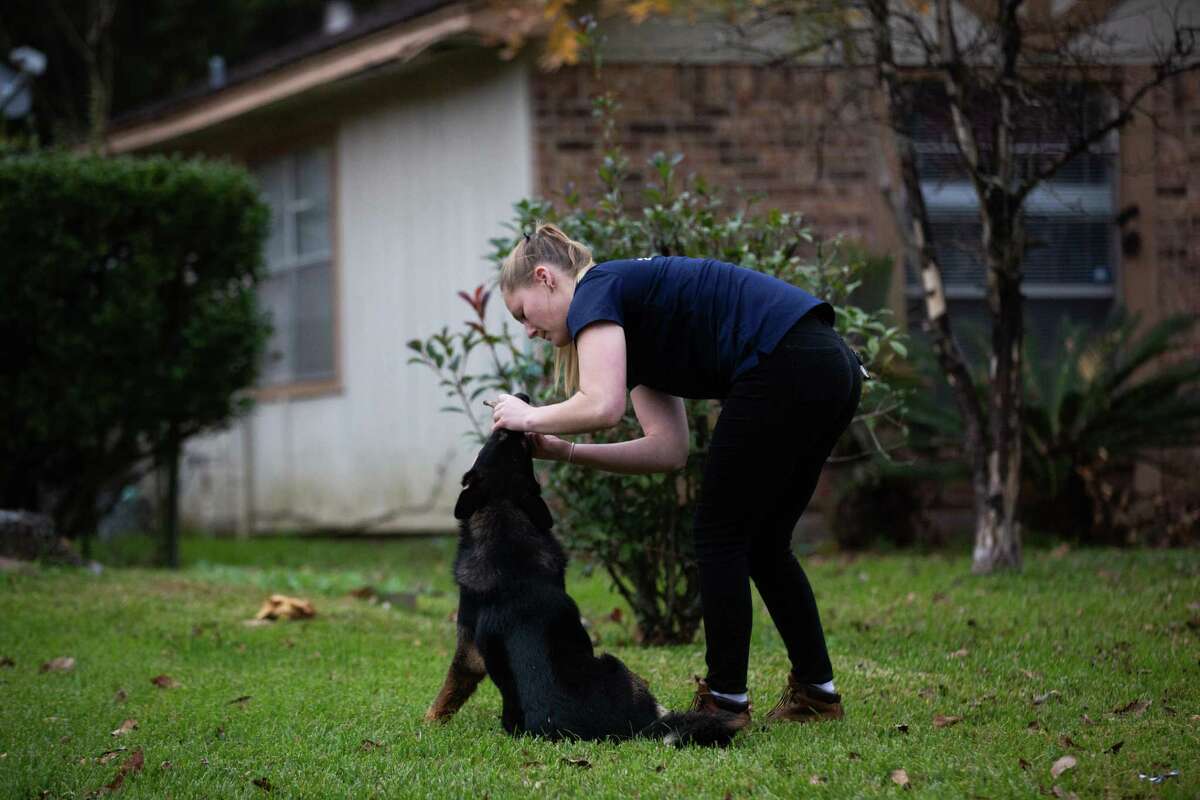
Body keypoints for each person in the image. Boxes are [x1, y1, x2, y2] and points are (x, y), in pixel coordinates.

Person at [487, 223, 862, 726]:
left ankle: (725, 704)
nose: (528, 330)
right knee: (764, 542)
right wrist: (565, 451)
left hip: (787, 362)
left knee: (719, 533)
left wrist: (525, 415)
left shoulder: (596, 290)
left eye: (522, 314)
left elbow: (601, 404)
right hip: (827, 365)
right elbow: (668, 450)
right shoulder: (623, 317)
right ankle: (818, 695)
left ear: (545, 278)